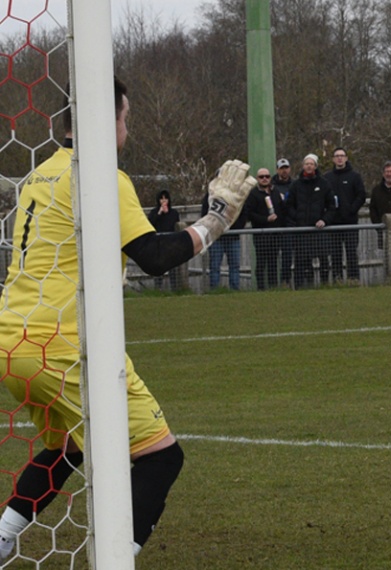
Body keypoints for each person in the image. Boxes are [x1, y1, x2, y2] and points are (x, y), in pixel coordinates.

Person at [0, 76, 254, 560]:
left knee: (71, 449)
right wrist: (217, 218)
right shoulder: (99, 174)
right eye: (124, 119)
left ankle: (2, 538)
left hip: (12, 342)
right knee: (162, 457)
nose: (126, 130)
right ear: (104, 119)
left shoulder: (40, 174)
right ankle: (115, 558)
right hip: (64, 345)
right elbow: (155, 256)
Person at [283, 154, 336, 289]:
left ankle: (325, 285)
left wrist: (324, 220)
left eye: (311, 164)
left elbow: (331, 206)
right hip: (302, 231)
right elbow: (289, 205)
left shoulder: (324, 184)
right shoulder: (295, 185)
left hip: (320, 231)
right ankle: (303, 287)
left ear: (315, 166)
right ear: (303, 166)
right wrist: (298, 218)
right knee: (302, 261)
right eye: (306, 164)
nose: (309, 166)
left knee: (324, 259)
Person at [323, 147, 367, 283]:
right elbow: (323, 197)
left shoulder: (355, 177)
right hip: (333, 223)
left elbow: (361, 195)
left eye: (342, 155)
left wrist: (351, 209)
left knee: (351, 253)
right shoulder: (327, 178)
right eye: (337, 156)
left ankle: (353, 279)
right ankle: (337, 279)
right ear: (333, 159)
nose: (339, 158)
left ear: (346, 158)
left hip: (350, 222)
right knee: (335, 254)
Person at [200, 188, 247, 290]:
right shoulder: (210, 196)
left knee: (234, 266)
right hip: (216, 237)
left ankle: (234, 289)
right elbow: (204, 214)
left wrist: (235, 227)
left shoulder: (236, 195)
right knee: (214, 266)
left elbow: (243, 213)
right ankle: (215, 290)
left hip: (233, 236)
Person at [245, 167, 282, 290]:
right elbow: (249, 214)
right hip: (261, 233)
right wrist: (266, 219)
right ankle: (260, 288)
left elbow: (281, 209)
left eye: (267, 176)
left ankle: (273, 287)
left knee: (273, 262)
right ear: (257, 179)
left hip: (275, 233)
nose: (265, 179)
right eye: (261, 177)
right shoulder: (253, 194)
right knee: (261, 263)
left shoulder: (275, 191)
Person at [147, 189, 182, 290]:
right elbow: (150, 223)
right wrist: (159, 213)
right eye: (161, 199)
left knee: (173, 269)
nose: (164, 201)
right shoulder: (154, 212)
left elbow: (176, 225)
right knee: (158, 268)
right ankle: (158, 289)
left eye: (165, 198)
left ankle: (175, 289)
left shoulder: (174, 213)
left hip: (170, 244)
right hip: (158, 245)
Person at [272, 157, 295, 287]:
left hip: (289, 226)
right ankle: (273, 284)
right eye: (281, 169)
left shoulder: (294, 185)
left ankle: (286, 282)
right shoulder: (272, 187)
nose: (284, 171)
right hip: (275, 226)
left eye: (286, 168)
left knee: (287, 257)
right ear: (277, 170)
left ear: (289, 169)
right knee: (272, 258)